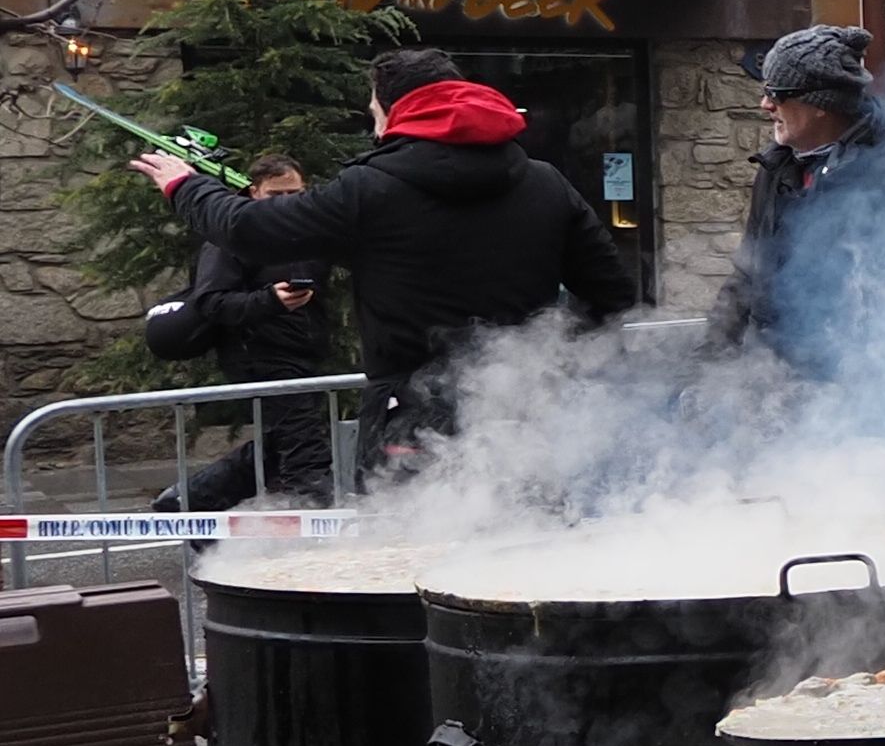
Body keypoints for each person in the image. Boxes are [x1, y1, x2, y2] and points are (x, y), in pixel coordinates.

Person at [139, 54, 630, 455]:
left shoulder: (369, 189)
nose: (375, 128)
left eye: (374, 112)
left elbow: (250, 229)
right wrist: (552, 356)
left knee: (408, 544)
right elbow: (611, 294)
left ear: (397, 111)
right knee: (531, 538)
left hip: (411, 415)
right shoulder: (546, 182)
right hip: (527, 409)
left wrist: (186, 185)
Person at [711, 21, 885, 381]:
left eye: (777, 93)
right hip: (770, 377)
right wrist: (704, 367)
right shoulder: (777, 166)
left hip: (850, 390)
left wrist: (846, 395)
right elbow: (747, 275)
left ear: (820, 104)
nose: (765, 104)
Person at [141, 161, 337, 510]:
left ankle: (190, 499)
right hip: (259, 355)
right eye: (275, 194)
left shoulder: (310, 232)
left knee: (286, 440)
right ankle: (314, 515)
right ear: (254, 192)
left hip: (302, 352)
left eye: (294, 193)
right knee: (303, 448)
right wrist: (270, 301)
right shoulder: (231, 237)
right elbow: (211, 302)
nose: (286, 202)